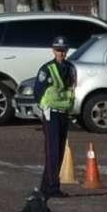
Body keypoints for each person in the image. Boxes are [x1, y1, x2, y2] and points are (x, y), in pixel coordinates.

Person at [31, 44, 77, 197]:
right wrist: (43, 108)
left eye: (63, 50)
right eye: (58, 50)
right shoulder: (47, 68)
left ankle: (46, 186)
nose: (61, 53)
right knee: (53, 151)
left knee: (59, 150)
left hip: (64, 111)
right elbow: (38, 90)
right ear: (53, 51)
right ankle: (52, 187)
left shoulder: (70, 67)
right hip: (51, 112)